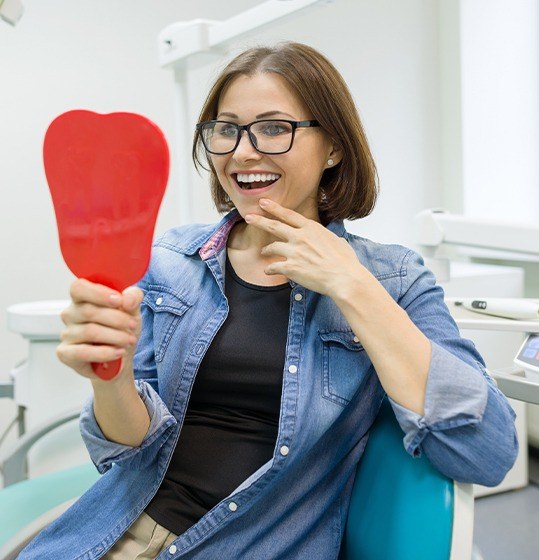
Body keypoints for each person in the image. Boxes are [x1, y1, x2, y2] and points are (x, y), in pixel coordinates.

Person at [19, 42, 518, 560]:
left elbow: (486, 451)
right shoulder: (169, 261)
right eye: (226, 129)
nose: (242, 152)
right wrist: (113, 376)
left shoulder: (393, 279)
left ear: (334, 147)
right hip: (112, 533)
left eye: (275, 127)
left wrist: (352, 285)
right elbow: (128, 449)